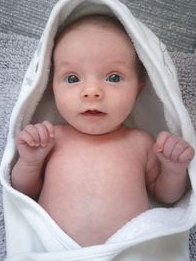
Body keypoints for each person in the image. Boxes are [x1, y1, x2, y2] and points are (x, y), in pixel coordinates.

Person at [11, 14, 195, 247]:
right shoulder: (50, 139)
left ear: (137, 91)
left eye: (113, 77)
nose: (92, 91)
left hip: (126, 250)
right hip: (54, 250)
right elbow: (23, 193)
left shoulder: (141, 143)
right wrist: (30, 162)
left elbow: (167, 197)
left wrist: (173, 169)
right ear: (52, 88)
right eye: (72, 78)